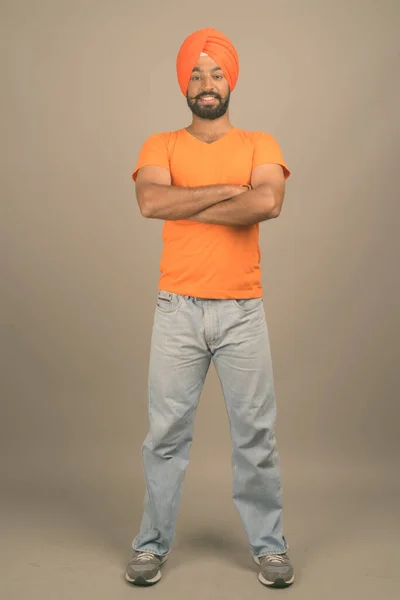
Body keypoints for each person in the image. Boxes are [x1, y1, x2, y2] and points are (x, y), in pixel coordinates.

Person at [125, 27, 294, 589]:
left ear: (231, 79)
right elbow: (151, 200)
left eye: (216, 72)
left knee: (255, 437)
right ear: (184, 83)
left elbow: (267, 201)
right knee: (165, 436)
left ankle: (270, 549)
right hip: (177, 310)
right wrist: (229, 191)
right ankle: (150, 545)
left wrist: (188, 199)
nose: (206, 83)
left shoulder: (260, 143)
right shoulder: (160, 144)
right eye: (196, 73)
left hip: (243, 311)